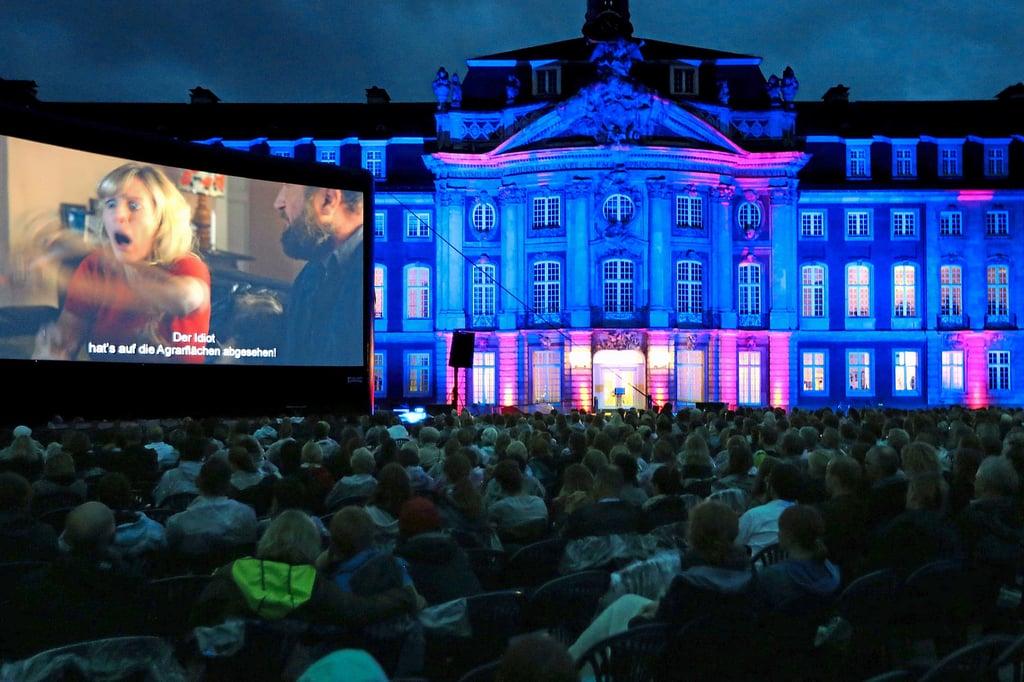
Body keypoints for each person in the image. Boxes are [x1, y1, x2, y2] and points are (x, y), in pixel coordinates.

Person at [32, 162, 211, 363]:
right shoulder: (94, 266)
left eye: (134, 205)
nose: (118, 215)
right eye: (110, 204)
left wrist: (85, 259)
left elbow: (182, 298)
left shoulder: (186, 266)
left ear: (160, 220)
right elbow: (66, 339)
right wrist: (51, 352)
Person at [274, 182, 365, 367]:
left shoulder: (372, 279)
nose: (278, 203)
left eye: (288, 186)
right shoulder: (311, 274)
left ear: (328, 200)